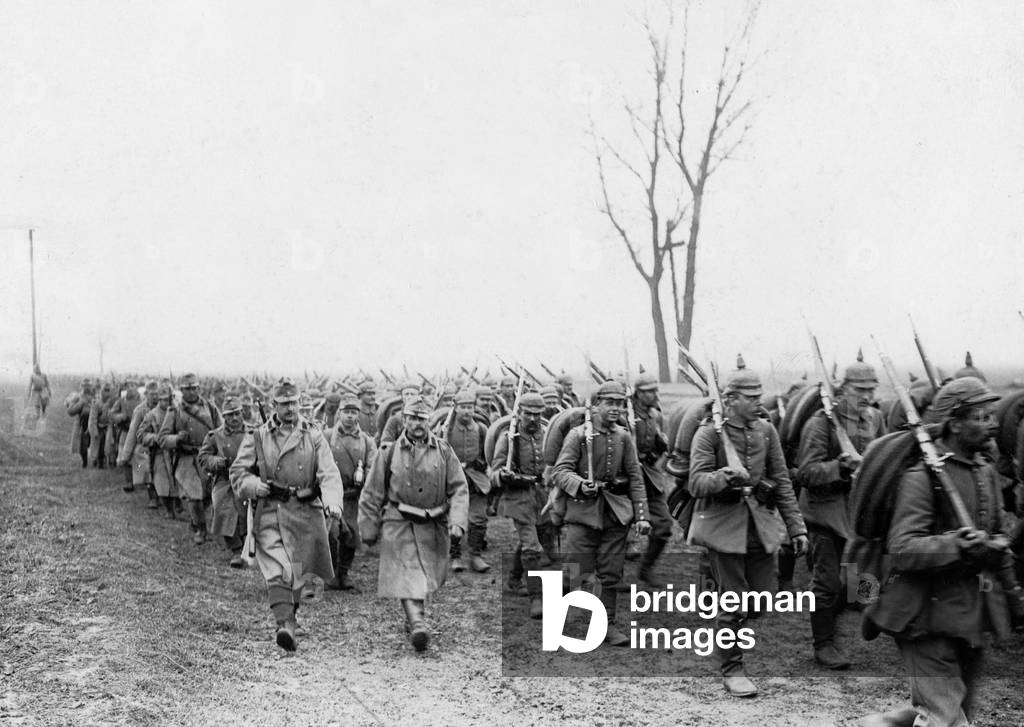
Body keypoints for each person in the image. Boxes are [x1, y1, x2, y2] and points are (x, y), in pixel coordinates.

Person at [861, 377, 1024, 727]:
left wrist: (1012, 591)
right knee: (945, 716)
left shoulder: (985, 472)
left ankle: (885, 724)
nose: (993, 424)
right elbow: (903, 549)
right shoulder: (922, 477)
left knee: (958, 702)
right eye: (980, 417)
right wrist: (958, 544)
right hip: (923, 614)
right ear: (954, 422)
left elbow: (996, 541)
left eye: (992, 415)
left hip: (968, 615)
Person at [688, 365, 807, 698]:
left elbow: (782, 481)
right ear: (730, 399)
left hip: (760, 525)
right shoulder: (708, 434)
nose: (758, 402)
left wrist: (797, 528)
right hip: (723, 527)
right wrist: (726, 476)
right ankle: (732, 669)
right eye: (751, 397)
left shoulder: (766, 431)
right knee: (734, 601)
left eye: (758, 396)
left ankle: (726, 622)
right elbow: (695, 483)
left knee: (760, 600)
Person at [229, 378, 344, 652]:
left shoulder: (313, 435)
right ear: (273, 405)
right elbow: (238, 472)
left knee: (297, 573)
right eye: (284, 403)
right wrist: (254, 486)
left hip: (306, 512)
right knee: (279, 569)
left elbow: (328, 472)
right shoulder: (257, 436)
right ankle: (285, 624)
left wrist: (332, 502)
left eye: (294, 402)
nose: (291, 408)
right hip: (272, 510)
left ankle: (289, 618)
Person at [358, 395, 469, 652]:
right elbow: (372, 492)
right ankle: (418, 623)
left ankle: (414, 617)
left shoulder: (443, 451)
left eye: (422, 418)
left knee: (425, 575)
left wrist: (458, 521)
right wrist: (368, 528)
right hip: (399, 521)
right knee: (407, 573)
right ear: (404, 420)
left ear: (428, 420)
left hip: (433, 523)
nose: (417, 423)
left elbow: (459, 488)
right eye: (412, 418)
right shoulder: (388, 453)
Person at [797, 355, 886, 669]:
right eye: (859, 389)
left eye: (871, 389)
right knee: (827, 584)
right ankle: (824, 645)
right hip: (825, 516)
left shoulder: (873, 419)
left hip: (860, 514)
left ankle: (866, 607)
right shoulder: (820, 424)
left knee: (865, 574)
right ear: (842, 389)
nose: (867, 396)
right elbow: (805, 474)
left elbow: (883, 457)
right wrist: (840, 467)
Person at [550, 380, 651, 646]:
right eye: (610, 403)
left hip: (615, 513)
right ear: (596, 406)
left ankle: (606, 624)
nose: (616, 409)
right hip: (582, 513)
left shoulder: (624, 437)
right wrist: (581, 485)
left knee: (610, 572)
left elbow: (635, 477)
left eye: (620, 404)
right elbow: (560, 472)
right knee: (578, 570)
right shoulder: (578, 436)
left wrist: (642, 515)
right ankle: (563, 597)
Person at [490, 391, 549, 618]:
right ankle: (537, 598)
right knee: (532, 546)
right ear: (519, 413)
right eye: (528, 414)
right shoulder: (509, 437)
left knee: (537, 537)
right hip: (518, 496)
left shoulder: (547, 436)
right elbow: (493, 471)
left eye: (537, 414)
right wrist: (503, 476)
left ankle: (514, 579)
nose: (533, 419)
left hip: (541, 496)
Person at [159, 373, 222, 544]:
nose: (192, 392)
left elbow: (221, 430)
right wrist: (177, 438)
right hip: (186, 458)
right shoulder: (175, 411)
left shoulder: (210, 407)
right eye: (187, 389)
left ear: (199, 388)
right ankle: (201, 530)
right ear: (181, 390)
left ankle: (196, 521)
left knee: (208, 495)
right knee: (194, 495)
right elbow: (162, 438)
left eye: (194, 388)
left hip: (206, 457)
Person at [325, 393, 377, 590]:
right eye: (346, 412)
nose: (350, 417)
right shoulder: (327, 436)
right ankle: (330, 572)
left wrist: (365, 482)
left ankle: (344, 572)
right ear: (339, 414)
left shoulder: (366, 441)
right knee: (332, 532)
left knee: (352, 535)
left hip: (354, 496)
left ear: (358, 416)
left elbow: (373, 466)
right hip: (332, 494)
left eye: (354, 413)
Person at [629, 374, 673, 587]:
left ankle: (645, 569)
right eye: (649, 391)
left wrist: (660, 445)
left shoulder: (656, 416)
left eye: (656, 390)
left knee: (664, 525)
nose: (655, 394)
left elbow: (660, 448)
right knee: (616, 528)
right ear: (638, 393)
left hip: (649, 476)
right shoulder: (625, 415)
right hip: (625, 478)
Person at [441, 390, 492, 573]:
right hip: (453, 480)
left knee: (479, 519)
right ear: (455, 408)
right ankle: (455, 556)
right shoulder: (446, 429)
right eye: (462, 407)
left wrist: (483, 465)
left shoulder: (481, 429)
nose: (466, 411)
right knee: (455, 518)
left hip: (476, 480)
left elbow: (489, 454)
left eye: (469, 407)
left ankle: (476, 555)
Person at [198, 395, 251, 568]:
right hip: (225, 479)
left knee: (249, 511)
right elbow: (203, 457)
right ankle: (236, 549)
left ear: (242, 412)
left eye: (237, 413)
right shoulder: (215, 436)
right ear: (223, 416)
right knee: (223, 507)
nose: (234, 418)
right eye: (229, 415)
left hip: (249, 477)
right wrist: (217, 462)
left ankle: (249, 546)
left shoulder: (254, 432)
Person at [117, 381, 160, 507]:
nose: (155, 397)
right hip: (144, 447)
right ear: (146, 394)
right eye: (151, 394)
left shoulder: (165, 408)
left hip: (161, 445)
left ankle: (165, 497)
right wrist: (125, 456)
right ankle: (152, 497)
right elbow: (132, 433)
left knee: (161, 471)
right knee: (144, 469)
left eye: (157, 394)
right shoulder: (140, 410)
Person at [66, 379, 94, 468]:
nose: (87, 388)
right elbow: (70, 411)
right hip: (81, 424)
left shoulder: (95, 396)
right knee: (83, 445)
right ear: (81, 387)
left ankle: (97, 461)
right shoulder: (77, 397)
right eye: (84, 386)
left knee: (95, 443)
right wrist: (81, 403)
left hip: (94, 423)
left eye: (88, 386)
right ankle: (84, 461)